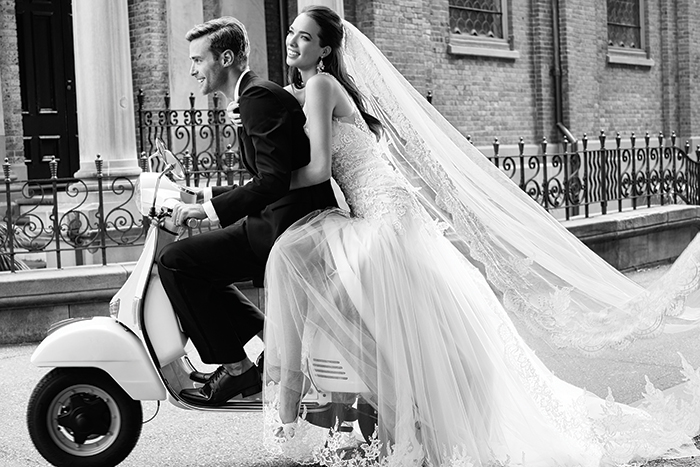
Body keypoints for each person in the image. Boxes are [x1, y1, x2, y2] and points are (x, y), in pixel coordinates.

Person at [260, 6, 700, 466]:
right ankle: (395, 423)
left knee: (339, 291)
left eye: (305, 37)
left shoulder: (320, 85)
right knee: (410, 323)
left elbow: (318, 169)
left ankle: (369, 424)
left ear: (326, 49)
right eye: (292, 33)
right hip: (384, 206)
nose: (293, 41)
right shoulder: (312, 88)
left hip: (379, 213)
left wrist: (267, 185)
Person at [157, 16, 337, 406]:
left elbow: (271, 181)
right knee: (197, 265)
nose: (192, 70)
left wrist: (208, 211)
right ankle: (267, 340)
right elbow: (270, 174)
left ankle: (238, 370)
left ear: (224, 58)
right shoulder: (253, 97)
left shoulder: (256, 97)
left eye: (197, 60)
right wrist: (203, 194)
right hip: (278, 218)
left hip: (283, 228)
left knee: (175, 261)